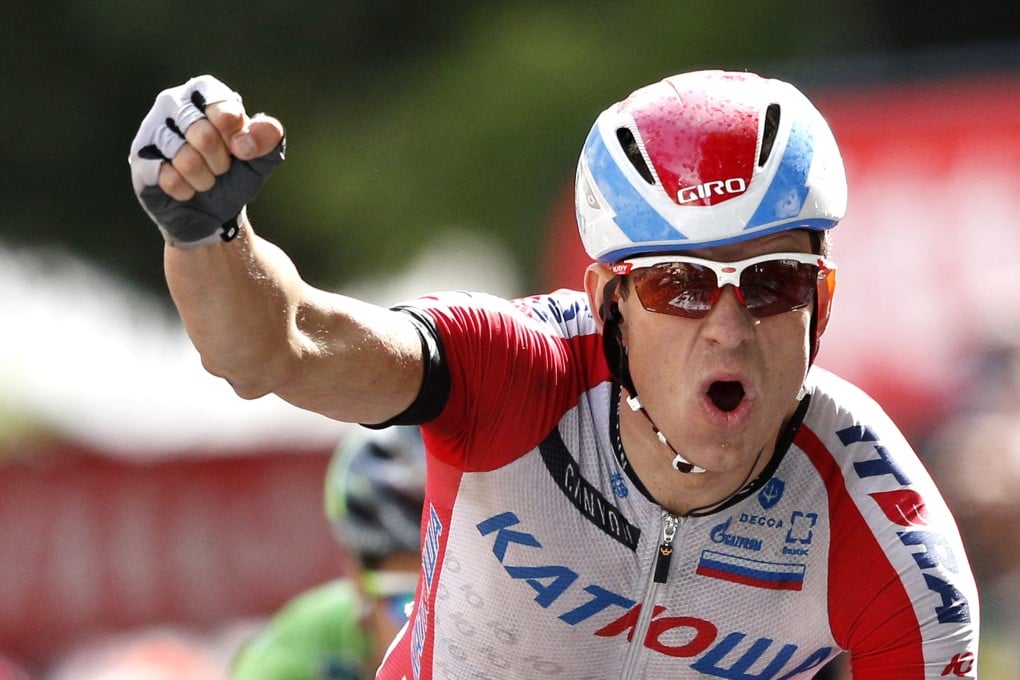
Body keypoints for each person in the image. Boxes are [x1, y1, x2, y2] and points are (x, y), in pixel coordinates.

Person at [129, 69, 979, 678]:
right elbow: (278, 345)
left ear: (821, 300)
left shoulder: (892, 547)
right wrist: (206, 234)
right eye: (677, 285)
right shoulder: (512, 372)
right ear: (611, 300)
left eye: (773, 281)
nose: (729, 328)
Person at [230, 425, 426, 680]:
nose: (442, 628)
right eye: (408, 602)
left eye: (466, 595)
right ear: (358, 585)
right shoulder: (295, 659)